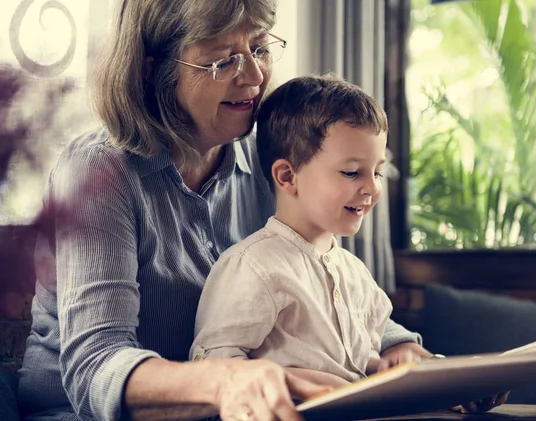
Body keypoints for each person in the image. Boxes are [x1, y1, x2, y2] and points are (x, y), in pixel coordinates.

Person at [17, 1, 426, 420]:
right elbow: (95, 366)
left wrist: (397, 346)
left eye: (260, 48)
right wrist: (227, 381)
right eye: (222, 60)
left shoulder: (273, 160)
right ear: (151, 69)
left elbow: (325, 284)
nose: (253, 76)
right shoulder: (100, 172)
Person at [191, 74, 430, 388]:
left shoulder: (354, 272)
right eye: (351, 172)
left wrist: (398, 369)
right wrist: (288, 380)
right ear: (288, 177)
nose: (372, 187)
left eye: (378, 172)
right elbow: (212, 365)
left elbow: (356, 362)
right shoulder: (253, 266)